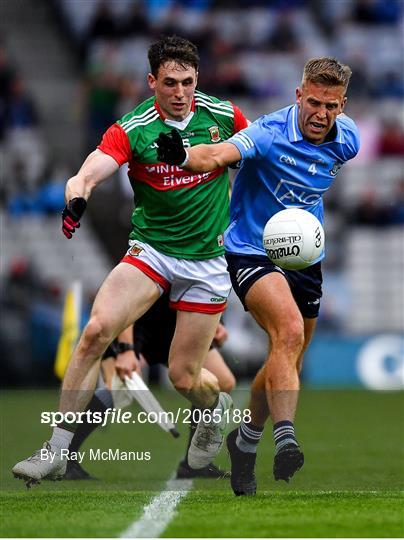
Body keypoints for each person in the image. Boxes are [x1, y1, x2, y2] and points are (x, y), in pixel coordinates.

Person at [12, 35, 248, 487]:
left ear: (198, 80)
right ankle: (57, 449)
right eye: (169, 83)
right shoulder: (133, 128)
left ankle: (214, 410)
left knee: (185, 377)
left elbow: (256, 153)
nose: (180, 93)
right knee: (95, 331)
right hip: (152, 251)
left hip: (209, 261)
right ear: (151, 82)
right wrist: (77, 198)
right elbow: (89, 171)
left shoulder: (224, 115)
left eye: (188, 82)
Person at [156, 56, 360, 495]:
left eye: (333, 106)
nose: (322, 114)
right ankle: (285, 439)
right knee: (286, 332)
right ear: (298, 96)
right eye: (315, 103)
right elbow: (219, 154)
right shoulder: (268, 133)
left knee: (290, 355)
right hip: (251, 250)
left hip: (304, 255)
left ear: (343, 105)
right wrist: (185, 156)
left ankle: (245, 441)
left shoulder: (349, 141)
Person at [65, 294, 235, 480]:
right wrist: (126, 350)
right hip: (137, 324)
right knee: (117, 388)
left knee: (223, 381)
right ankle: (65, 457)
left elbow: (210, 290)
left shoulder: (212, 265)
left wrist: (217, 324)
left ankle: (193, 464)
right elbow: (126, 300)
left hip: (177, 325)